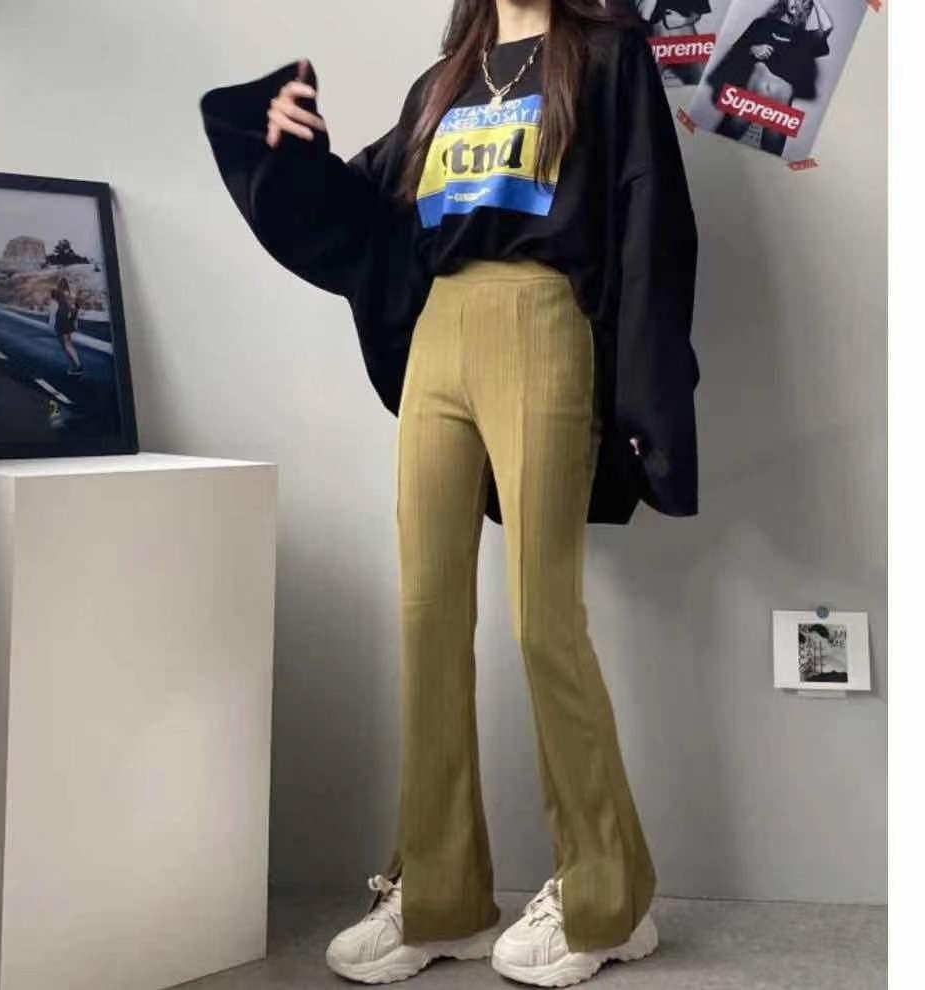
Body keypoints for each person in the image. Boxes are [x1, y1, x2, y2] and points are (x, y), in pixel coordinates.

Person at [201, 0, 700, 985]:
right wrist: (283, 147)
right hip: (441, 334)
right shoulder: (443, 83)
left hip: (543, 321)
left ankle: (608, 899)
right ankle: (441, 897)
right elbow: (370, 217)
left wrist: (649, 394)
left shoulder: (607, 59)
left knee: (543, 621)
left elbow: (652, 216)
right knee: (427, 613)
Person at [706, 0, 834, 156]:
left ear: (806, 9)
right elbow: (734, 53)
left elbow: (827, 27)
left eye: (803, 2)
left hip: (779, 111)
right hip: (749, 101)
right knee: (718, 148)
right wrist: (752, 49)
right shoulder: (761, 24)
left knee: (770, 158)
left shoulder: (804, 38)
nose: (797, 2)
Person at [636, 0, 713, 86]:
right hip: (659, 45)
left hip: (686, 44)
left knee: (703, 85)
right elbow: (644, 14)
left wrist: (685, 21)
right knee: (642, 86)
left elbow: (697, 14)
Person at [49, 276, 85, 376]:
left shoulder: (56, 295)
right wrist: (74, 324)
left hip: (61, 322)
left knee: (66, 346)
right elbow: (76, 310)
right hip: (69, 322)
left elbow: (53, 310)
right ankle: (75, 366)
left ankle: (78, 367)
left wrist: (51, 324)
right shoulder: (70, 296)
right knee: (68, 345)